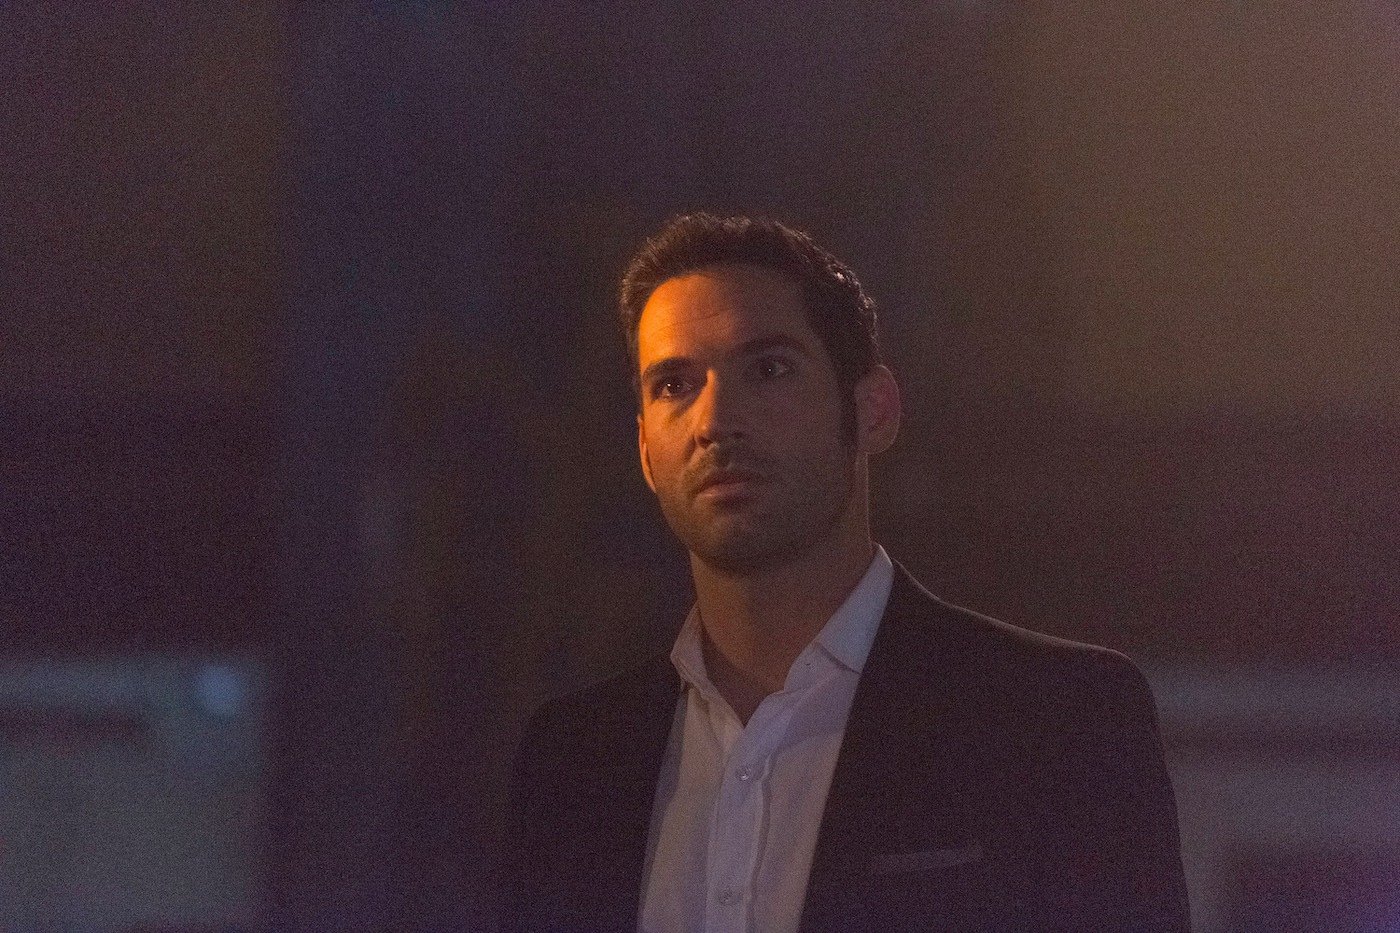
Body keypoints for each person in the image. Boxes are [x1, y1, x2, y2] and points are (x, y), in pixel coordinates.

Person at [501, 214, 1190, 932]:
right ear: (646, 449)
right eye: (674, 384)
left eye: (768, 369)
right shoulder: (574, 765)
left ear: (872, 411)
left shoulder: (1055, 724)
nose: (714, 419)